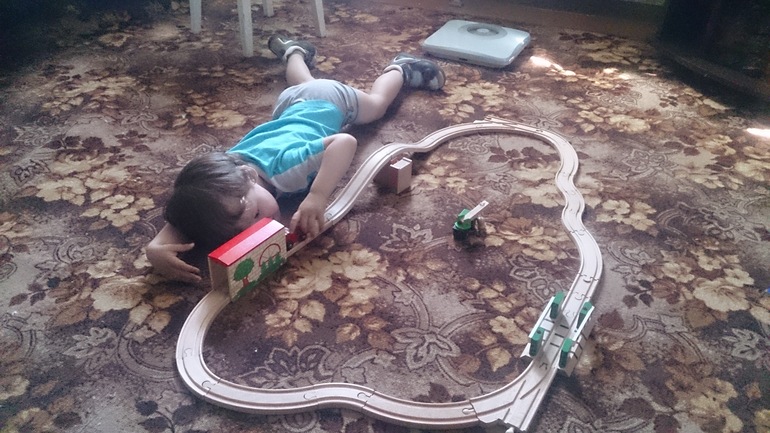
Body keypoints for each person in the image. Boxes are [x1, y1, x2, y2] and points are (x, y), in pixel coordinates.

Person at [146, 34, 446, 283]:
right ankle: (294, 51)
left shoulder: (287, 169)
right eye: (240, 232)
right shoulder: (229, 169)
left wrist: (317, 195)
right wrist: (155, 247)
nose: (257, 226)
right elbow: (194, 204)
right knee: (302, 83)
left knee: (377, 106)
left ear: (250, 175)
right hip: (290, 105)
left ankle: (401, 68)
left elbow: (344, 142)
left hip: (330, 100)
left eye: (254, 214)